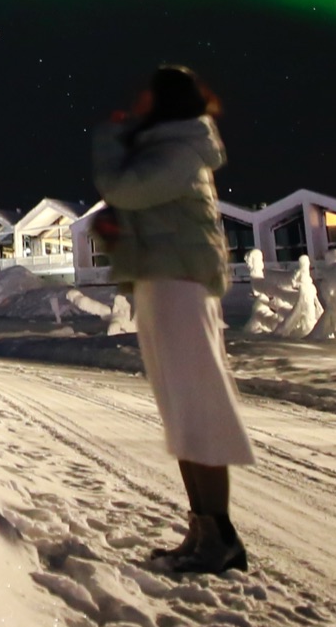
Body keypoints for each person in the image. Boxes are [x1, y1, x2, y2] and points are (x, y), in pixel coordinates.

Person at [87, 64, 254, 574]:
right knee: (181, 412)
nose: (136, 101)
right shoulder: (164, 150)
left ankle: (220, 537)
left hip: (180, 285)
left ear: (165, 101)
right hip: (162, 284)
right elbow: (135, 207)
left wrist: (111, 137)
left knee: (198, 405)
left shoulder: (181, 151)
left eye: (146, 95)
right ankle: (202, 529)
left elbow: (125, 190)